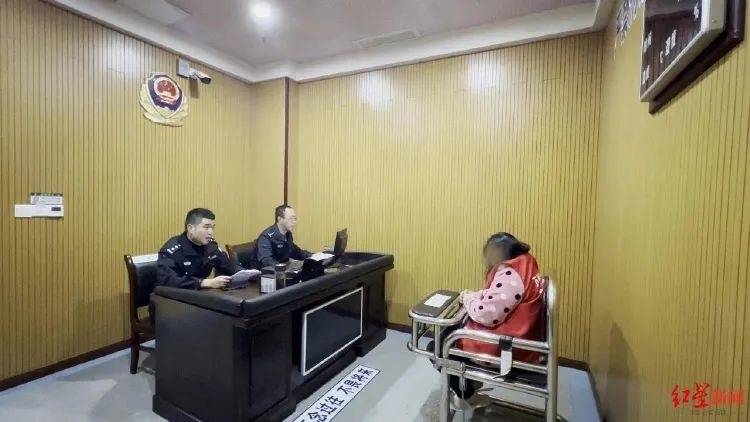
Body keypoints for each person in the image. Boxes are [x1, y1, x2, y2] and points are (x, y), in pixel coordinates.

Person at [156, 208, 244, 290]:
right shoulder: (172, 250)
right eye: (206, 227)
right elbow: (168, 281)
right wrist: (203, 282)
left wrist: (243, 273)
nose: (210, 232)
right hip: (173, 297)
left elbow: (227, 265)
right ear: (190, 228)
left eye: (212, 228)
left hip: (199, 294)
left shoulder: (210, 246)